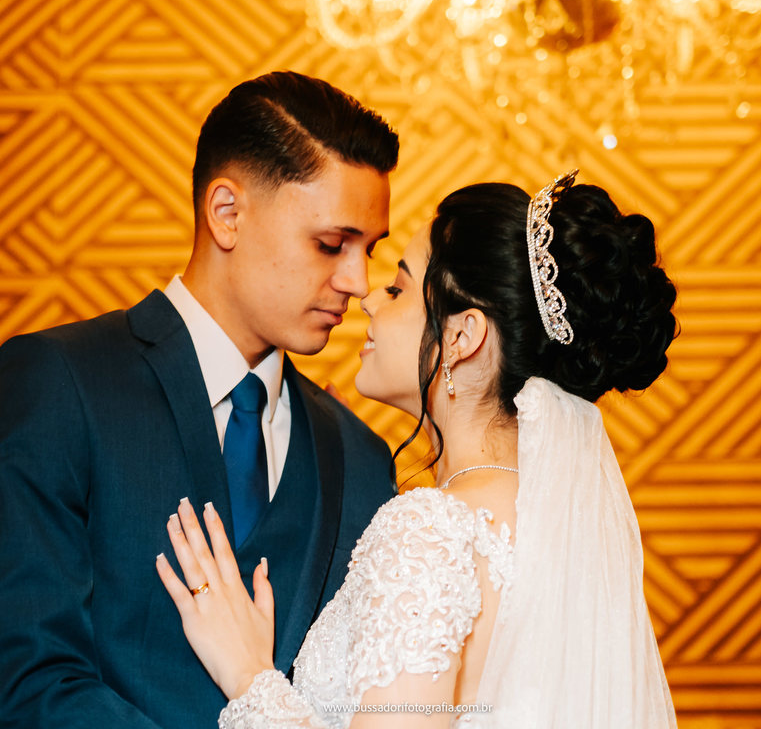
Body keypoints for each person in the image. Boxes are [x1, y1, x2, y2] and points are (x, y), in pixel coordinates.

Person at [0, 71, 402, 728]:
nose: (358, 281)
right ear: (227, 214)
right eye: (331, 244)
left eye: (369, 250)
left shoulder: (360, 458)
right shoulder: (60, 383)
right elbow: (26, 685)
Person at [155, 170, 681, 727]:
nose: (367, 300)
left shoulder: (432, 530)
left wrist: (249, 677)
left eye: (399, 289)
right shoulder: (561, 529)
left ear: (462, 336)